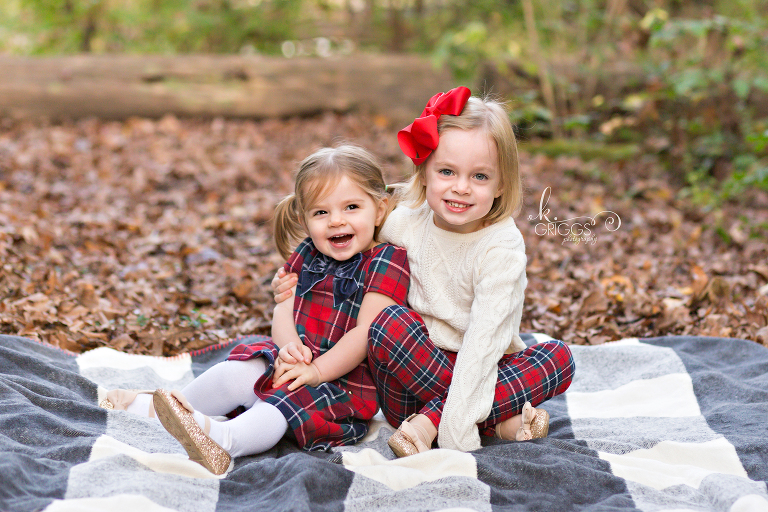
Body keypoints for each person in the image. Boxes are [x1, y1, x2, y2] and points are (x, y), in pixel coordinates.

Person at [273, 87, 575, 457]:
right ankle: (498, 419)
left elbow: (482, 346)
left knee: (558, 357)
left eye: (480, 176)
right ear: (425, 172)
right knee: (386, 323)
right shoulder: (403, 223)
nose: (460, 188)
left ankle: (443, 424)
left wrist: (447, 426)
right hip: (406, 381)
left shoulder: (501, 249)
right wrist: (296, 281)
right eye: (446, 171)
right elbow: (345, 238)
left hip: (479, 366)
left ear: (501, 183)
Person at [100, 145, 410, 474]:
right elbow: (284, 307)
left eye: (351, 207)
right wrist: (289, 348)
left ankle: (222, 440)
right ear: (305, 219)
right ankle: (164, 408)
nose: (336, 221)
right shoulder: (308, 253)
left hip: (341, 387)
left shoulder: (387, 261)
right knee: (238, 370)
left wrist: (315, 373)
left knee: (282, 405)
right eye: (321, 213)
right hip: (294, 363)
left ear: (379, 210)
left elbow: (366, 333)